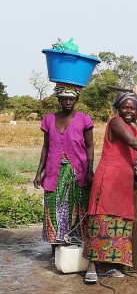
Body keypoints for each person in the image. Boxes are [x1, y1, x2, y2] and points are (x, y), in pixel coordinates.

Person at [83, 92, 137, 283]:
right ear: (118, 108)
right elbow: (132, 143)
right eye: (125, 107)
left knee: (119, 220)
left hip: (123, 179)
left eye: (132, 107)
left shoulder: (131, 127)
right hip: (109, 177)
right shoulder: (115, 122)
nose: (129, 110)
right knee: (101, 217)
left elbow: (132, 151)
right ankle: (92, 265)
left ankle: (110, 266)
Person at [33, 84, 94, 260]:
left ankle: (75, 251)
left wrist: (89, 170)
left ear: (76, 100)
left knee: (76, 208)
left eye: (71, 98)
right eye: (64, 98)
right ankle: (55, 251)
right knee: (53, 208)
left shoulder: (84, 119)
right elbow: (46, 147)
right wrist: (39, 173)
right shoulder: (49, 119)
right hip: (54, 172)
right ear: (59, 99)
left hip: (78, 173)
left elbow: (89, 146)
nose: (68, 102)